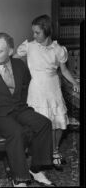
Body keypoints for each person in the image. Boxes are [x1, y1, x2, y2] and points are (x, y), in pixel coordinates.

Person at [0, 32, 56, 187]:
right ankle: (19, 178)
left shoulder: (19, 65)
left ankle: (35, 169)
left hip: (18, 108)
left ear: (10, 51)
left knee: (44, 123)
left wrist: (23, 104)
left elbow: (26, 85)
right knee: (16, 132)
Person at [13, 14, 80, 171]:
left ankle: (55, 151)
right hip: (36, 89)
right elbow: (13, 59)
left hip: (53, 88)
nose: (34, 35)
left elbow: (63, 70)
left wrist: (75, 82)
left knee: (58, 124)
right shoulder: (29, 46)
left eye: (37, 32)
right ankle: (39, 153)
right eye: (33, 32)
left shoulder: (59, 50)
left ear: (47, 31)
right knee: (39, 123)